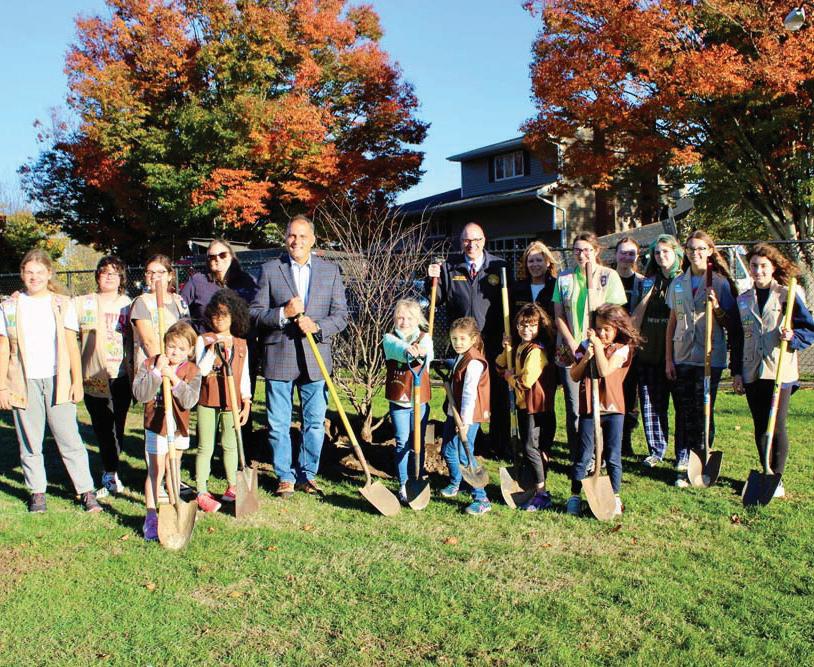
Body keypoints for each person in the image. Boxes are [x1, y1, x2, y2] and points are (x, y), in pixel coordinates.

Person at [250, 215, 348, 498]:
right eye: (292, 235)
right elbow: (255, 314)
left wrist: (318, 327)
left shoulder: (330, 272)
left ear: (313, 240)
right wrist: (284, 313)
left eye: (303, 236)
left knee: (314, 423)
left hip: (315, 360)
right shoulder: (270, 270)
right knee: (278, 424)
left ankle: (307, 474)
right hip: (279, 357)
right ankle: (285, 476)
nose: (297, 241)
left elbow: (341, 315)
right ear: (285, 238)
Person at [0, 248, 101, 513]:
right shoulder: (9, 307)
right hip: (24, 382)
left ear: (49, 274)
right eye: (29, 272)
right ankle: (37, 493)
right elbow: (3, 348)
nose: (34, 277)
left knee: (70, 438)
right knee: (29, 442)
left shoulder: (62, 304)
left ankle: (86, 491)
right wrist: (2, 387)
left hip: (58, 380)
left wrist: (76, 382)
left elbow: (71, 345)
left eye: (39, 272)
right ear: (22, 274)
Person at [731, 243, 814, 498]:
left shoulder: (787, 295)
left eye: (763, 266)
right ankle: (765, 471)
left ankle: (776, 476)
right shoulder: (743, 299)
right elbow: (738, 338)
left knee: (775, 425)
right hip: (752, 370)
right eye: (754, 266)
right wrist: (737, 372)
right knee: (760, 424)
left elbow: (808, 329)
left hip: (779, 370)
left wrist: (793, 336)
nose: (758, 271)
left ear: (773, 267)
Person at [665, 230, 741, 488]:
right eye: (691, 249)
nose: (695, 253)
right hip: (682, 354)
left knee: (704, 410)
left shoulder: (719, 283)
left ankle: (703, 456)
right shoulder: (677, 283)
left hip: (709, 356)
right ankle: (684, 459)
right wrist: (668, 358)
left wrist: (716, 306)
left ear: (709, 251)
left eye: (700, 249)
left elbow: (730, 323)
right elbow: (672, 322)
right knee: (684, 410)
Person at [428, 222, 509, 458]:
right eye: (466, 240)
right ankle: (467, 439)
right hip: (462, 343)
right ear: (461, 241)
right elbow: (436, 298)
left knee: (495, 392)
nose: (471, 244)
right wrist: (431, 279)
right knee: (460, 390)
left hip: (491, 341)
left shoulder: (498, 266)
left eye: (476, 240)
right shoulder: (450, 266)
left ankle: (499, 443)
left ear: (484, 240)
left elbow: (507, 301)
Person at [553, 233, 626, 466]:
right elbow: (559, 315)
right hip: (572, 349)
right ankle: (580, 456)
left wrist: (598, 344)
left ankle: (599, 454)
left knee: (599, 404)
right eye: (577, 250)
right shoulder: (564, 278)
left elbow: (615, 316)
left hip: (600, 350)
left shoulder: (609, 276)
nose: (581, 254)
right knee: (575, 406)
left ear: (596, 251)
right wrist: (573, 343)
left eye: (586, 249)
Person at [567, 304, 642, 517]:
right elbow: (574, 375)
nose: (602, 333)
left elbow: (605, 370)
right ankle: (575, 495)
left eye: (607, 329)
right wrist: (586, 357)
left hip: (613, 408)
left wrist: (598, 348)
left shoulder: (622, 349)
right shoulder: (585, 346)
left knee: (613, 455)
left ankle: (614, 496)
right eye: (598, 328)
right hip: (590, 408)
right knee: (583, 454)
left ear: (617, 328)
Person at [132, 321, 201, 541]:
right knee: (156, 470)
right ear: (165, 344)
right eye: (171, 346)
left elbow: (190, 400)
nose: (175, 352)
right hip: (156, 426)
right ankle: (151, 515)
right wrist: (156, 373)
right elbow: (140, 394)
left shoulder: (193, 370)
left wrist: (173, 379)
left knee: (174, 469)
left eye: (181, 348)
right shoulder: (149, 364)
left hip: (178, 428)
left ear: (190, 350)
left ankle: (174, 507)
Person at [74, 256, 132, 495]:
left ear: (121, 278)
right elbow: (56, 306)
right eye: (105, 271)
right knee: (102, 427)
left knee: (118, 425)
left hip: (121, 374)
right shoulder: (83, 303)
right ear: (97, 275)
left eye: (114, 272)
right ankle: (109, 471)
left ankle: (113, 469)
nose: (109, 276)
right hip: (94, 375)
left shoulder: (128, 304)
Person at [194, 289, 252, 513]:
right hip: (208, 399)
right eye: (215, 315)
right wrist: (212, 350)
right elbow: (201, 371)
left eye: (224, 315)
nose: (219, 319)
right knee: (205, 446)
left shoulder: (241, 344)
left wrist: (246, 401)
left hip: (232, 400)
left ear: (234, 316)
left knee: (231, 444)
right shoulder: (203, 340)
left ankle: (233, 486)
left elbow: (244, 375)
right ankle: (201, 489)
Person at [495, 303, 557, 511]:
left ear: (540, 326)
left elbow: (525, 382)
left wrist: (509, 378)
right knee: (530, 447)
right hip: (524, 405)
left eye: (532, 325)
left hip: (536, 407)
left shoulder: (536, 352)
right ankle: (535, 485)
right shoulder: (520, 347)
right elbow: (499, 366)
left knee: (531, 447)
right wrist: (506, 349)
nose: (526, 329)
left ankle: (542, 492)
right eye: (522, 325)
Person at [630, 235, 684, 468]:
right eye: (658, 252)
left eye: (666, 252)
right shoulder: (648, 282)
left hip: (678, 354)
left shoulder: (683, 280)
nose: (661, 256)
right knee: (652, 406)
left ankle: (683, 453)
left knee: (682, 408)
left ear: (676, 253)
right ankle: (656, 450)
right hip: (650, 353)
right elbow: (636, 318)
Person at [440, 317, 493, 516]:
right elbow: (457, 367)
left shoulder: (474, 363)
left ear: (473, 339)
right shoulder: (462, 357)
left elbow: (470, 395)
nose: (458, 343)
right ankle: (458, 483)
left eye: (462, 339)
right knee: (448, 449)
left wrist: (464, 423)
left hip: (468, 416)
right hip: (455, 413)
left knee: (464, 455)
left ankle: (482, 498)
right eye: (454, 339)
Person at [382, 299, 434, 504]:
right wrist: (408, 350)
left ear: (418, 320)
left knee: (417, 442)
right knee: (402, 441)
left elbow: (428, 355)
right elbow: (396, 349)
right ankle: (404, 483)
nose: (404, 322)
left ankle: (417, 477)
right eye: (400, 317)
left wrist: (422, 351)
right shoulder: (389, 338)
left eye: (410, 318)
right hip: (399, 402)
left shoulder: (425, 338)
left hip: (420, 402)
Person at [181, 238, 258, 334]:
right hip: (206, 340)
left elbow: (259, 312)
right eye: (212, 257)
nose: (217, 259)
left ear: (231, 256)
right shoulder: (197, 281)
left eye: (222, 255)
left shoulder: (248, 281)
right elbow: (181, 312)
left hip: (242, 340)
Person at [131, 254, 190, 371]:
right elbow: (149, 342)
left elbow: (187, 334)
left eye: (160, 272)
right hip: (154, 367)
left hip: (179, 367)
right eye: (150, 272)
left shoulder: (179, 301)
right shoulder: (142, 302)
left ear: (170, 275)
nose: (154, 276)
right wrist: (165, 369)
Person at [614, 237, 644, 456]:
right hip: (611, 346)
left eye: (631, 253)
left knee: (630, 395)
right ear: (616, 254)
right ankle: (609, 438)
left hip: (633, 348)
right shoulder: (607, 279)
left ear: (637, 256)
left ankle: (626, 439)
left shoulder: (642, 283)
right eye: (623, 252)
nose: (626, 257)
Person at [510, 240, 559, 323]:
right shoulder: (517, 289)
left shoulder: (556, 287)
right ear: (526, 264)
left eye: (539, 260)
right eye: (531, 261)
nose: (535, 264)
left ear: (547, 262)